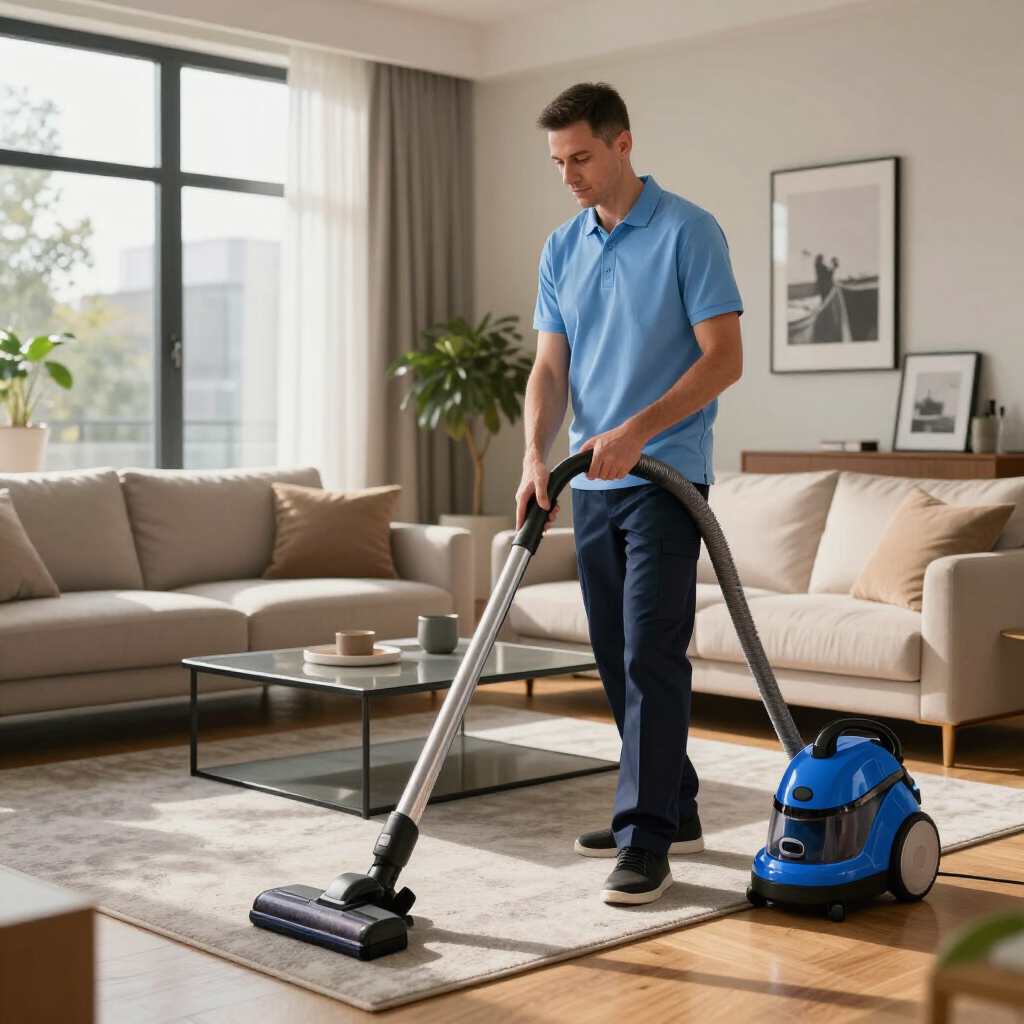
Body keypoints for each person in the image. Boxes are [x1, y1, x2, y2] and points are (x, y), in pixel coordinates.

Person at [517, 82, 744, 906]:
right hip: (590, 476)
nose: (569, 174)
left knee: (651, 645)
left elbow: (723, 359)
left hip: (665, 475)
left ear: (622, 144)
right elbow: (549, 367)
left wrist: (638, 430)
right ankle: (672, 804)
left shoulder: (689, 231)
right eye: (557, 162)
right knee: (615, 653)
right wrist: (533, 458)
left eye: (580, 156)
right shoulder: (561, 246)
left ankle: (643, 837)